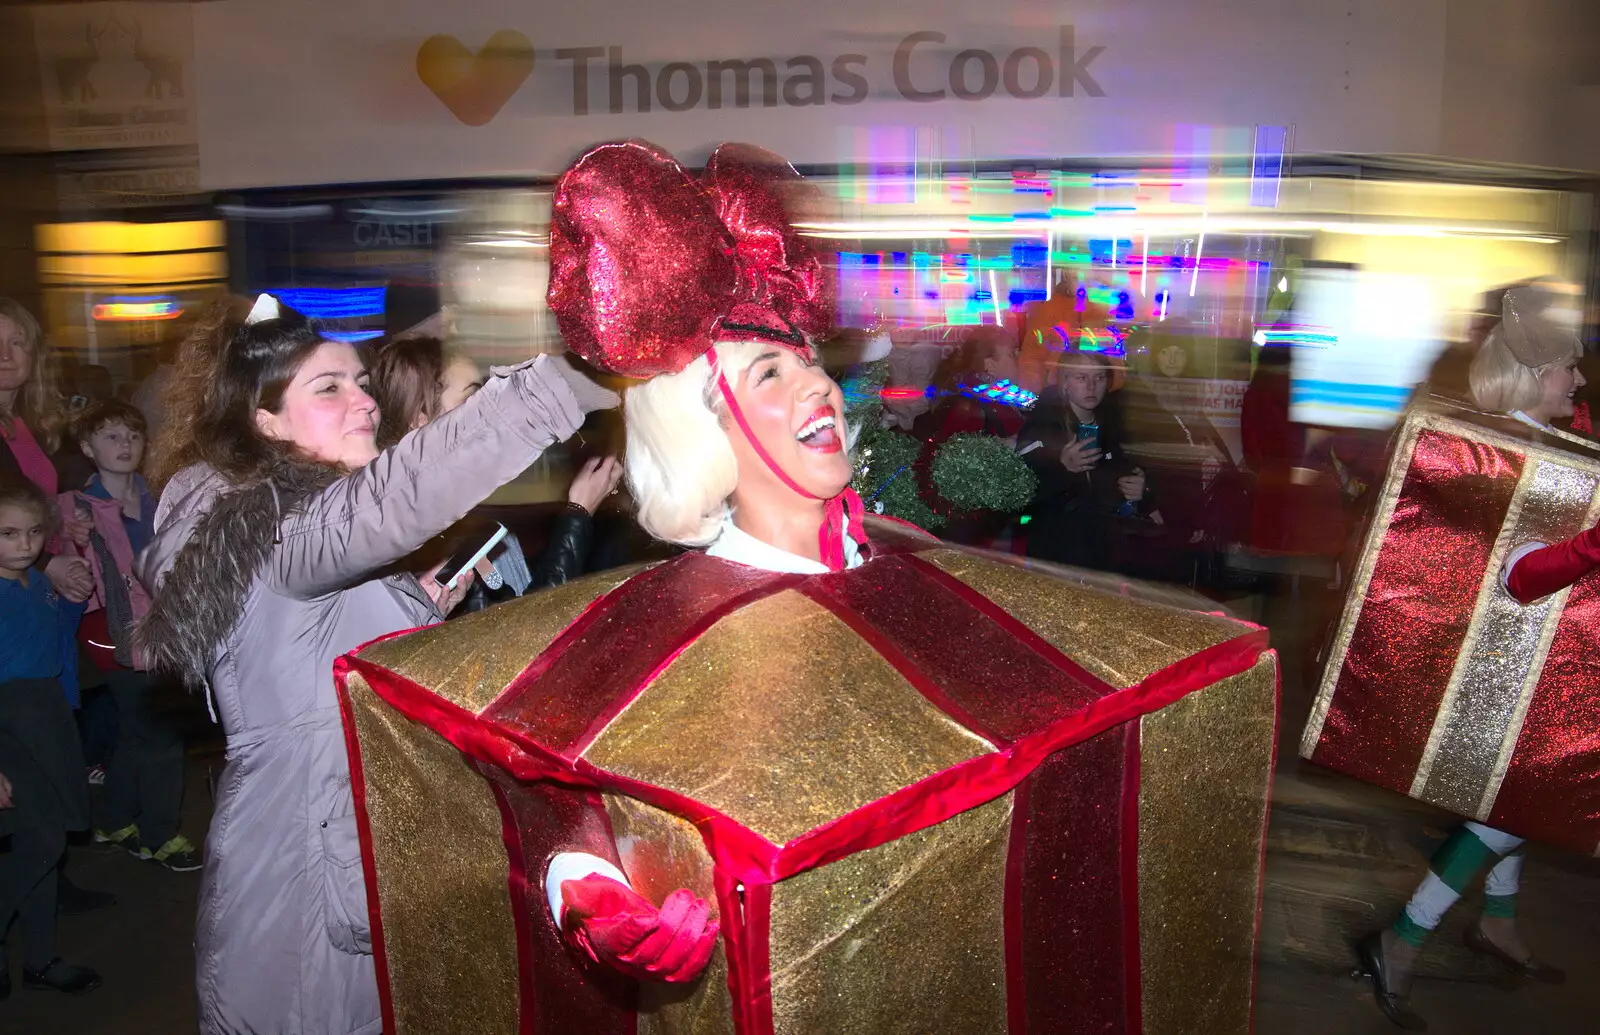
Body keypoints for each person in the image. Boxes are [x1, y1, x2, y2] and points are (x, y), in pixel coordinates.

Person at [134, 293, 616, 1035]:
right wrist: (579, 373)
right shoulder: (280, 530)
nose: (362, 400)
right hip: (305, 867)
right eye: (328, 388)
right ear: (265, 421)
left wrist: (413, 609)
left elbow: (308, 656)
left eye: (360, 381)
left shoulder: (276, 524)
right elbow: (405, 490)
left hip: (330, 844)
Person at [1356, 281, 1578, 1030]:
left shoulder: (1535, 440)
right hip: (1504, 669)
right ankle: (1404, 935)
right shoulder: (1508, 451)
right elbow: (1522, 575)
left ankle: (1498, 922)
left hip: (1531, 665)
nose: (1579, 379)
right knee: (1514, 808)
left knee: (1513, 803)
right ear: (1537, 374)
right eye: (1569, 368)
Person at [367, 334, 623, 599]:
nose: (485, 410)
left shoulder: (453, 511)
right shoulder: (421, 536)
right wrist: (578, 513)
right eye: (472, 398)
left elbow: (508, 607)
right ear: (419, 420)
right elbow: (525, 629)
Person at [56, 400, 198, 871]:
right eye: (111, 436)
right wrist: (69, 536)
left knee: (138, 733)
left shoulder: (162, 498)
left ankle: (117, 819)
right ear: (87, 447)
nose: (125, 445)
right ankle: (159, 835)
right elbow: (51, 558)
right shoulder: (73, 508)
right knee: (162, 733)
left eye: (133, 436)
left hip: (167, 628)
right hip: (117, 634)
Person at [0, 476, 100, 995]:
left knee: (43, 841)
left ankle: (39, 958)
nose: (24, 545)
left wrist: (72, 592)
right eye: (8, 534)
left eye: (34, 532)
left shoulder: (34, 581)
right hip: (9, 724)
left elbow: (55, 641)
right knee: (41, 839)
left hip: (46, 713)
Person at [1018, 347, 1150, 570]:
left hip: (1104, 554)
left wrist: (1141, 492)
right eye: (1081, 377)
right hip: (1055, 555)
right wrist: (1061, 466)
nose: (1091, 386)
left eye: (1099, 378)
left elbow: (1124, 482)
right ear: (1064, 383)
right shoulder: (1044, 423)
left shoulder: (1113, 425)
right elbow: (1021, 490)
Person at [0, 298, 93, 604]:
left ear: (33, 354)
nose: (5, 355)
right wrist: (48, 565)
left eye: (17, 342)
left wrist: (62, 525)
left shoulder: (33, 424)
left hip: (36, 584)